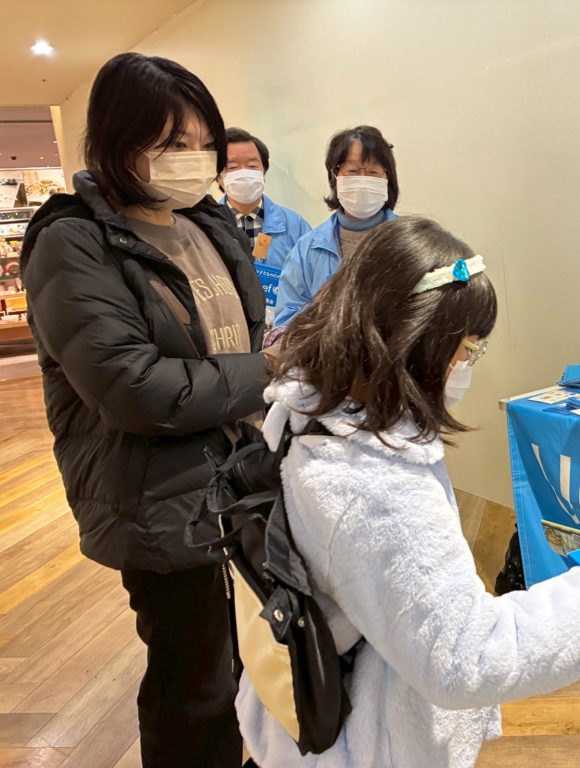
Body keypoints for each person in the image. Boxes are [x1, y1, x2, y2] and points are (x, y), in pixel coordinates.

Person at [237, 216, 580, 767]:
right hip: (369, 744)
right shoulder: (376, 487)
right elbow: (465, 657)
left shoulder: (316, 415)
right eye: (466, 348)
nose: (467, 365)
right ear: (416, 341)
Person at [21, 52, 274, 768]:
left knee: (252, 661)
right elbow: (136, 389)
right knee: (193, 684)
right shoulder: (73, 242)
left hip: (238, 478)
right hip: (158, 498)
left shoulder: (205, 222)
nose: (193, 159)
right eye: (171, 143)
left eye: (203, 144)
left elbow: (236, 336)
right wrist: (270, 371)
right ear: (117, 140)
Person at [270, 125, 399, 333]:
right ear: (335, 176)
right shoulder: (308, 249)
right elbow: (284, 325)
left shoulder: (412, 241)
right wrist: (321, 309)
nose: (362, 181)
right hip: (326, 353)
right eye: (352, 171)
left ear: (388, 178)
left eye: (373, 172)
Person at [218, 126, 311, 267]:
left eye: (252, 166)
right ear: (218, 177)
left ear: (263, 171)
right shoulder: (206, 226)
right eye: (232, 167)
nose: (244, 173)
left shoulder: (296, 226)